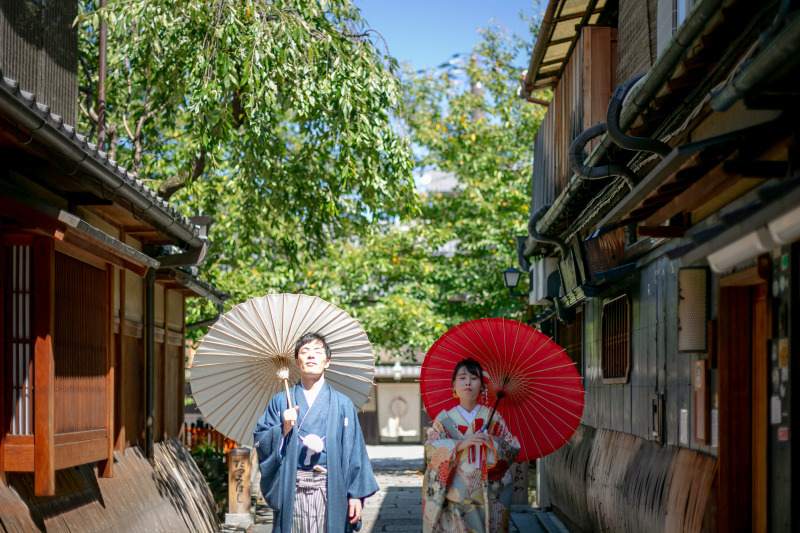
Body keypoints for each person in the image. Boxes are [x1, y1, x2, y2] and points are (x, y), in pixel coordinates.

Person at [254, 332, 379, 533]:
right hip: (292, 487)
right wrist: (282, 429)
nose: (311, 356)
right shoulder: (280, 402)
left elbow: (355, 450)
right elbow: (261, 439)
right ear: (296, 362)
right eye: (305, 352)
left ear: (327, 362)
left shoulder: (342, 403)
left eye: (317, 352)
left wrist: (355, 494)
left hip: (331, 486)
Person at [422, 358, 520, 533]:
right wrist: (460, 444)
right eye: (462, 377)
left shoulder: (494, 418)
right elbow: (431, 450)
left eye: (474, 378)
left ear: (482, 386)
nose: (468, 382)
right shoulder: (444, 420)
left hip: (486, 494)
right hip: (453, 492)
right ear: (454, 386)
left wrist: (493, 443)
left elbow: (512, 447)